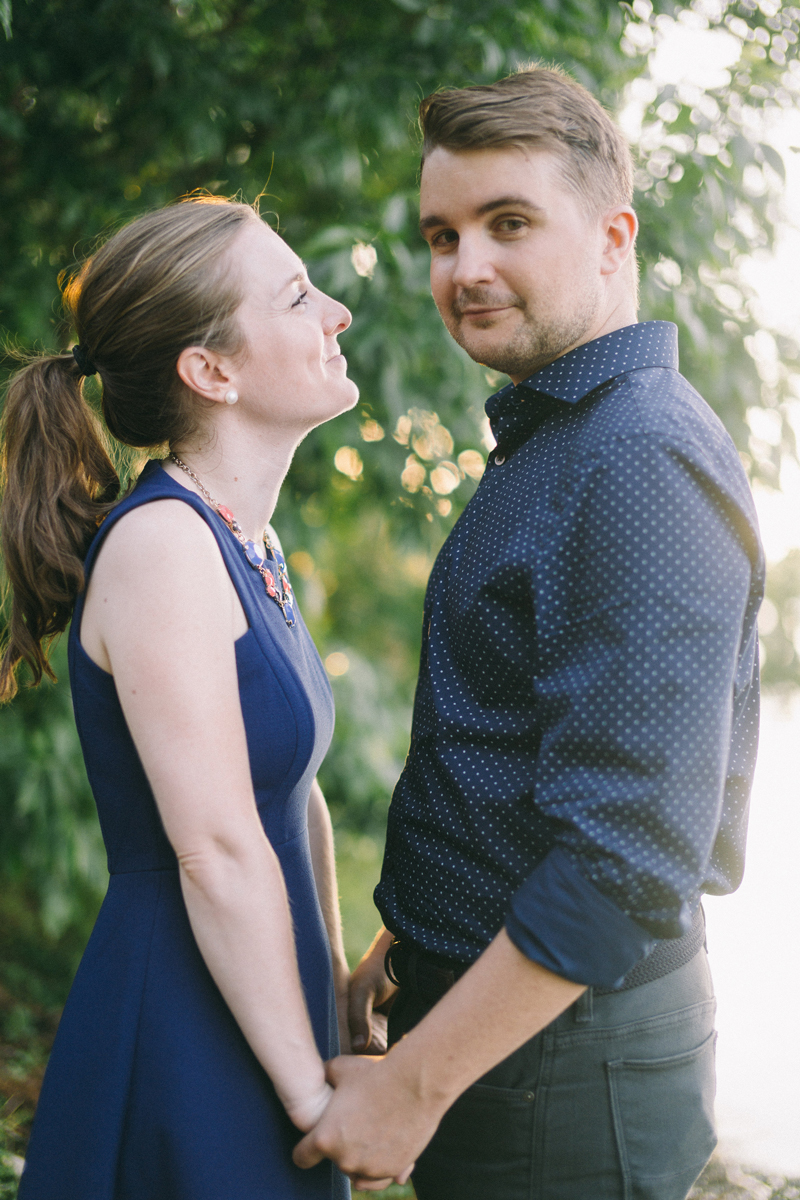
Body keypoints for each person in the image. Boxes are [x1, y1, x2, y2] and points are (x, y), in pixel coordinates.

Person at [294, 66, 765, 1199]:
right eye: (441, 235)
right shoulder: (560, 438)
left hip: (563, 1063)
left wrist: (411, 1091)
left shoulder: (635, 459)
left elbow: (625, 856)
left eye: (508, 223)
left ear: (611, 236)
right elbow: (505, 761)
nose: (465, 269)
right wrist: (399, 953)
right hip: (505, 1032)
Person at [0, 196, 369, 1199]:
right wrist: (310, 1100)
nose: (335, 310)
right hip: (181, 1033)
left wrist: (332, 996)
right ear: (209, 372)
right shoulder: (162, 547)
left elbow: (292, 796)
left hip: (264, 1005)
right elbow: (213, 850)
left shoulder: (244, 542)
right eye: (295, 296)